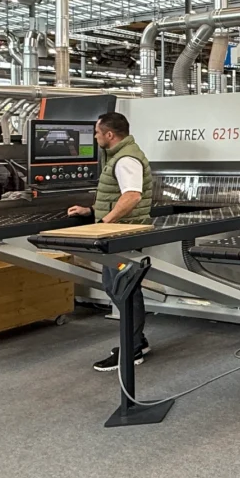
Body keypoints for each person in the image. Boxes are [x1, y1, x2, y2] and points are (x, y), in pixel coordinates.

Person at [68, 112, 153, 372]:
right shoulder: (118, 155)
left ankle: (132, 349)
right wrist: (91, 211)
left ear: (109, 134)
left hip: (123, 234)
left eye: (96, 132)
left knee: (124, 290)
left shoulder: (126, 159)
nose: (95, 137)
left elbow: (132, 196)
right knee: (115, 287)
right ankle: (137, 340)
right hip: (118, 231)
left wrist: (105, 222)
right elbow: (116, 195)